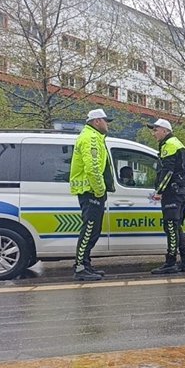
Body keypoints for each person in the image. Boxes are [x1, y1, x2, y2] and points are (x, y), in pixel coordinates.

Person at [69, 108, 115, 281]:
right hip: (90, 191)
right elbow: (93, 168)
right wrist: (100, 190)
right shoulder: (92, 138)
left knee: (93, 230)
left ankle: (85, 264)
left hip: (89, 190)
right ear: (97, 121)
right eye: (105, 121)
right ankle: (80, 267)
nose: (107, 124)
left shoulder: (92, 136)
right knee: (89, 230)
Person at [148, 118, 185, 274]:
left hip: (173, 192)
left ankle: (171, 262)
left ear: (165, 131)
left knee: (171, 227)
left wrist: (159, 191)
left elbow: (168, 171)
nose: (153, 133)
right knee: (175, 226)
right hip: (180, 190)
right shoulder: (175, 143)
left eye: (155, 130)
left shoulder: (169, 145)